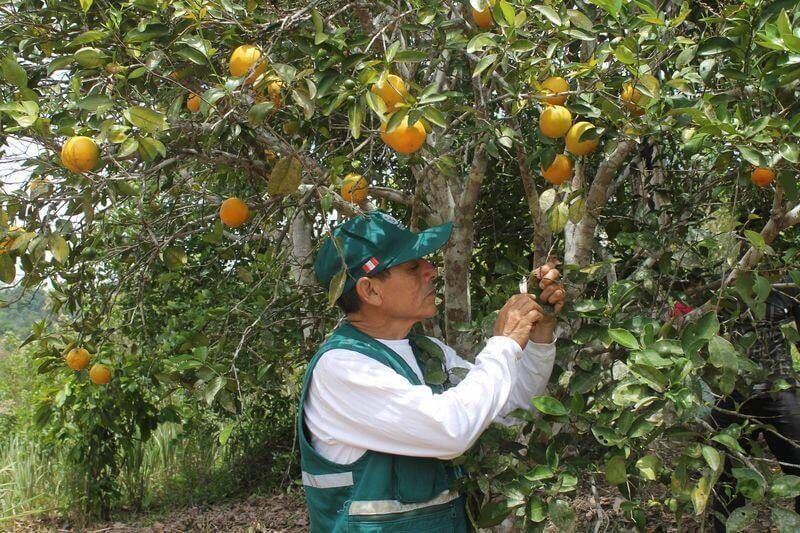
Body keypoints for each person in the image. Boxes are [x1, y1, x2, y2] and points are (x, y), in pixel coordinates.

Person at [297, 210, 565, 532]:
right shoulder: (341, 369)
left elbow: (509, 404)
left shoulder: (427, 352)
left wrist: (537, 336)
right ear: (370, 291)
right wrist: (504, 344)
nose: (431, 271)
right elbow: (451, 429)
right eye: (412, 267)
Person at [711, 282, 800, 532]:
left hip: (779, 388)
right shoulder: (726, 285)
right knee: (724, 472)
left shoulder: (788, 289)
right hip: (732, 391)